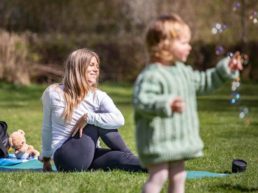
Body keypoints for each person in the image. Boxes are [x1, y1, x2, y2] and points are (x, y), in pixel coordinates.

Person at [132, 14, 243, 193]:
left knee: (179, 177)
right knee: (158, 177)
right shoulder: (151, 75)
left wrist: (225, 70)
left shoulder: (183, 72)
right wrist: (167, 104)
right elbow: (142, 101)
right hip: (158, 141)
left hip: (178, 141)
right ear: (164, 44)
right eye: (184, 43)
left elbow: (205, 82)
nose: (189, 47)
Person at [40, 48, 145, 172]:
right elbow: (47, 127)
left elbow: (119, 119)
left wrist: (88, 117)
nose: (96, 70)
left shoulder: (99, 96)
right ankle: (130, 154)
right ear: (78, 67)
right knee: (97, 120)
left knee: (121, 158)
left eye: (97, 66)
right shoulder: (54, 92)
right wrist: (46, 158)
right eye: (91, 65)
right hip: (66, 158)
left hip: (89, 155)